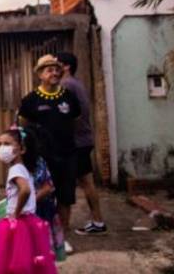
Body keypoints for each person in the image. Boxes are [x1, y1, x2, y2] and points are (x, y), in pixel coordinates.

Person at [18, 54, 81, 253]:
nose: (54, 73)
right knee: (42, 197)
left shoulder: (69, 96)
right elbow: (23, 126)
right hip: (42, 158)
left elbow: (76, 119)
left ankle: (61, 239)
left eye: (56, 69)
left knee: (65, 198)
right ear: (40, 75)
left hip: (67, 154)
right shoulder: (30, 100)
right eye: (49, 70)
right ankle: (41, 238)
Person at [0, 127, 56, 274]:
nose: (2, 148)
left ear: (21, 149)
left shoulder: (15, 169)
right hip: (29, 221)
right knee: (29, 260)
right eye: (0, 144)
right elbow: (21, 193)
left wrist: (15, 213)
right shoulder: (24, 168)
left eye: (7, 144)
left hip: (17, 223)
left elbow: (26, 190)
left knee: (11, 262)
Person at [56, 52, 107, 236]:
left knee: (82, 182)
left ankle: (97, 220)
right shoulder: (77, 84)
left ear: (66, 66)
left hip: (77, 141)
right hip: (83, 139)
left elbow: (67, 115)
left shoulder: (66, 85)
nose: (54, 69)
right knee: (85, 181)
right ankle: (96, 220)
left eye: (57, 64)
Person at [32, 153, 66, 262]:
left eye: (7, 144)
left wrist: (29, 202)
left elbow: (47, 187)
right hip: (25, 213)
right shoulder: (14, 166)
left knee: (43, 252)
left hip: (41, 211)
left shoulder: (37, 162)